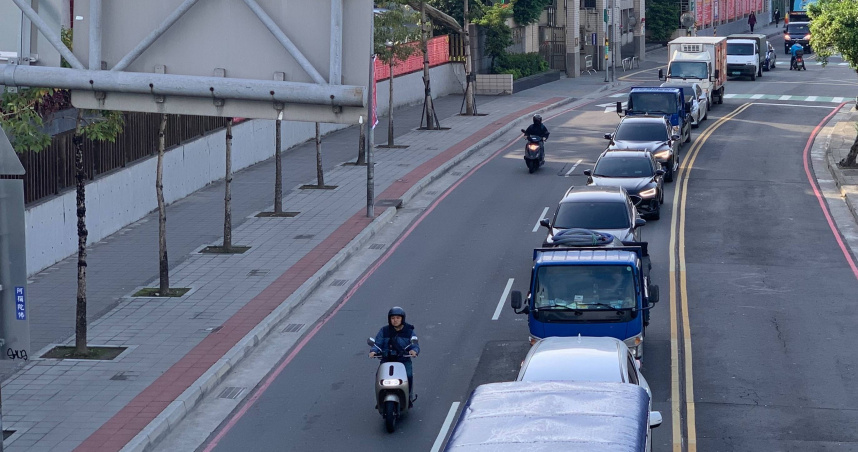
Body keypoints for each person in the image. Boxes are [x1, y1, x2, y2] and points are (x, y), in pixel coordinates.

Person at [370, 307, 419, 405]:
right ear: (389, 319)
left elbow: (415, 345)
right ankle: (379, 400)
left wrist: (414, 351)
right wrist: (373, 351)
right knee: (378, 377)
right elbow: (377, 344)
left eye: (397, 318)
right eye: (393, 318)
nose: (395, 320)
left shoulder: (409, 331)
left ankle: (408, 397)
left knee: (408, 376)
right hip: (387, 360)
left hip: (403, 361)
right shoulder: (384, 331)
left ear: (402, 319)